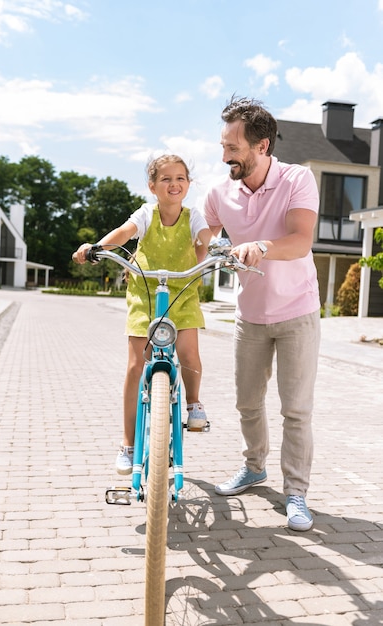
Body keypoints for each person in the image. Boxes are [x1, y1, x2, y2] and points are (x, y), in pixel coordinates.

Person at [203, 96, 321, 531]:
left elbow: (301, 240)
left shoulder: (297, 179)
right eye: (223, 146)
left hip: (297, 312)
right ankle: (254, 467)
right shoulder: (219, 192)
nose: (224, 156)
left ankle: (296, 494)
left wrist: (263, 246)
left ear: (262, 146)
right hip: (250, 315)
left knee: (296, 410)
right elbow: (201, 241)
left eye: (232, 148)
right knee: (247, 403)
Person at [73, 154, 213, 475]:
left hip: (181, 293)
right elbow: (125, 232)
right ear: (153, 186)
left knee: (189, 353)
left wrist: (217, 249)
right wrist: (98, 247)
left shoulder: (193, 217)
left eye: (180, 178)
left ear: (188, 185)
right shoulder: (147, 214)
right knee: (137, 366)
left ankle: (193, 403)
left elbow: (206, 238)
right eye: (165, 179)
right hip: (146, 296)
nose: (173, 184)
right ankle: (128, 444)